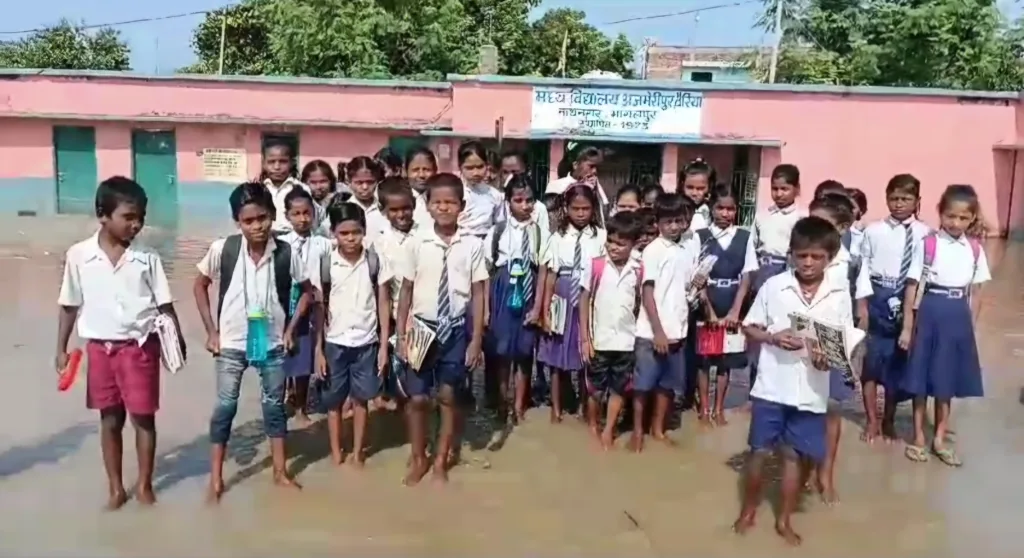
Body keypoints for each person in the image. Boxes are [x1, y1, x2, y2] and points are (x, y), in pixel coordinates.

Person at [55, 176, 181, 509]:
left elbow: (164, 303)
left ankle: (144, 485)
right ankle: (115, 487)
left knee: (143, 417)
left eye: (140, 217)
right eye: (128, 217)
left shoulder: (148, 257)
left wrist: (177, 339)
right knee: (109, 419)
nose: (136, 224)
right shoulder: (79, 255)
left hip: (140, 347)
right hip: (100, 350)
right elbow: (69, 304)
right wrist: (61, 348)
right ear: (102, 215)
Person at [193, 182, 314, 503]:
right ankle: (217, 479)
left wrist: (291, 331)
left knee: (274, 408)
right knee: (225, 408)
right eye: (248, 221)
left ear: (273, 216)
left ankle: (279, 472)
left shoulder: (286, 252)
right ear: (237, 222)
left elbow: (308, 291)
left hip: (270, 340)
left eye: (262, 218)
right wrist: (211, 331)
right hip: (231, 342)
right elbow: (200, 285)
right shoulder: (224, 249)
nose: (257, 226)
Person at [735, 216, 851, 546]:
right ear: (791, 255)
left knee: (793, 458)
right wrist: (772, 337)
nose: (809, 263)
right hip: (772, 386)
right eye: (802, 256)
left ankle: (784, 520)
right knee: (758, 453)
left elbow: (840, 344)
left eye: (817, 257)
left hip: (812, 391)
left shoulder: (838, 294)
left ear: (831, 258)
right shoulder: (774, 287)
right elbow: (749, 326)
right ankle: (748, 511)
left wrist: (826, 356)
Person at [395, 173, 487, 485]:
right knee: (418, 398)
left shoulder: (472, 244)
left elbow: (478, 293)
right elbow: (405, 291)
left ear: (461, 206)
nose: (444, 207)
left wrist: (476, 340)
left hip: (457, 330)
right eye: (437, 202)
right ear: (428, 205)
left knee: (449, 396)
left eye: (450, 202)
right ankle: (419, 457)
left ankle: (441, 459)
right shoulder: (416, 242)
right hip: (421, 329)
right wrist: (401, 336)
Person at [899, 185, 988, 467]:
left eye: (963, 218)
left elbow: (978, 290)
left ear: (972, 218)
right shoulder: (928, 244)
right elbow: (912, 286)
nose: (956, 223)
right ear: (940, 213)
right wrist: (906, 326)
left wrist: (971, 325)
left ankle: (938, 438)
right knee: (920, 379)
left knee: (946, 381)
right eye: (951, 216)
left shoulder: (974, 249)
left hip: (957, 315)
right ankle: (918, 438)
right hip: (930, 311)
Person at [854, 173, 929, 443]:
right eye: (893, 198)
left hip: (908, 300)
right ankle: (871, 420)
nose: (898, 204)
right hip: (878, 295)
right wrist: (862, 305)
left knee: (898, 364)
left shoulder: (925, 235)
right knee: (871, 364)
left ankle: (889, 419)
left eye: (906, 199)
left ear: (917, 201)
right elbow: (862, 269)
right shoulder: (873, 231)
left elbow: (926, 276)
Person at [319, 202, 392, 467]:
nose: (351, 239)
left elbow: (384, 303)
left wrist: (384, 346)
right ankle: (337, 452)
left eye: (356, 232)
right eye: (344, 233)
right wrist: (319, 350)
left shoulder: (374, 261)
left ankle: (359, 452)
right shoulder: (326, 264)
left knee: (362, 401)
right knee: (333, 403)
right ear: (333, 233)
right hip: (334, 343)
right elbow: (320, 307)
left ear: (364, 231)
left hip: (366, 342)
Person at [807, 192, 861, 504]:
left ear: (841, 228)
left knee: (831, 412)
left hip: (835, 340)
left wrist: (852, 354)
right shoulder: (801, 255)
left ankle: (825, 474)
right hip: (802, 337)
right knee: (801, 409)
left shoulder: (850, 263)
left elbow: (860, 309)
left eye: (822, 223)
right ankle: (801, 468)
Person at [538, 184, 606, 423]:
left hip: (589, 296)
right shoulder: (557, 237)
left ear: (593, 209)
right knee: (556, 357)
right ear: (566, 208)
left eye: (586, 208)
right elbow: (550, 276)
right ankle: (556, 410)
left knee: (585, 355)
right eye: (575, 208)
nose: (580, 213)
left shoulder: (600, 236)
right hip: (562, 295)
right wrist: (546, 311)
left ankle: (582, 407)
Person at [633, 192, 694, 451]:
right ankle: (637, 432)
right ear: (658, 222)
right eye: (668, 221)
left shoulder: (684, 251)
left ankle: (657, 430)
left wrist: (698, 286)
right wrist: (657, 331)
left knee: (667, 387)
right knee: (643, 385)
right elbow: (647, 292)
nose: (673, 226)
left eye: (679, 221)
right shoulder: (653, 250)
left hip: (678, 331)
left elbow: (684, 289)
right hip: (651, 332)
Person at [484, 174, 547, 422]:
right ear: (508, 201)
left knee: (524, 352)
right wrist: (488, 309)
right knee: (501, 353)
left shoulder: (540, 233)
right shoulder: (497, 231)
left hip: (528, 290)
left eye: (529, 200)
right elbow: (486, 271)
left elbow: (543, 270)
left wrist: (538, 308)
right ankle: (502, 403)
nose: (524, 205)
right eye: (518, 200)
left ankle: (520, 405)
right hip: (502, 290)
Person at [578, 211, 643, 449]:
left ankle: (609, 429)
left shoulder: (639, 268)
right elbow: (584, 300)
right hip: (599, 341)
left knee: (619, 388)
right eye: (611, 241)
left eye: (621, 244)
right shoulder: (596, 264)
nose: (614, 248)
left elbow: (639, 303)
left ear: (633, 244)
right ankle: (594, 424)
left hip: (626, 342)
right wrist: (585, 339)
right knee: (595, 390)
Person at [695, 185, 757, 426]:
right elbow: (696, 276)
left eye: (730, 209)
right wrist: (707, 307)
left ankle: (719, 408)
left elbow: (747, 275)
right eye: (720, 208)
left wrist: (736, 309)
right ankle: (704, 408)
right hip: (706, 298)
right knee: (704, 358)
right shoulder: (700, 236)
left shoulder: (744, 236)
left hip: (732, 298)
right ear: (712, 208)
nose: (725, 213)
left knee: (725, 359)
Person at [278, 187, 334, 427]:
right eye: (296, 214)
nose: (302, 219)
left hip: (313, 302)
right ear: (287, 215)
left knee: (303, 360)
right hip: (284, 303)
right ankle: (278, 403)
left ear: (314, 214)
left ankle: (301, 406)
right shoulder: (280, 244)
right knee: (280, 357)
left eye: (307, 213)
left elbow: (329, 276)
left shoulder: (323, 244)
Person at [373, 177, 417, 408]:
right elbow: (381, 289)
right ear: (383, 211)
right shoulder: (380, 243)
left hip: (419, 314)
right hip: (390, 312)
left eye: (406, 208)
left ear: (414, 206)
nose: (401, 214)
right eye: (394, 210)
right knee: (392, 363)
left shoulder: (424, 235)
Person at [260, 140, 310, 234]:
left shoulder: (301, 188)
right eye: (271, 162)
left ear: (292, 162)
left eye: (283, 161)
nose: (277, 167)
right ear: (264, 163)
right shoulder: (259, 189)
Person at [545, 147, 610, 218]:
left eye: (596, 167)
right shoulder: (556, 186)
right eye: (591, 166)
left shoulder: (596, 185)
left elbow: (603, 215)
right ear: (575, 165)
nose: (595, 171)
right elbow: (552, 216)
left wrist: (594, 191)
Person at [456, 141, 504, 239]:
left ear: (486, 165)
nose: (476, 173)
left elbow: (500, 225)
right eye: (469, 168)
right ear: (460, 167)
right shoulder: (454, 192)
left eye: (480, 167)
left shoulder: (494, 195)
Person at [346, 156, 389, 244]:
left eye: (370, 182)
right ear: (349, 182)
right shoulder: (344, 210)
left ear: (377, 181)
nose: (365, 187)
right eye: (359, 182)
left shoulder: (386, 207)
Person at [300, 160, 339, 237]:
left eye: (323, 181)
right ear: (304, 183)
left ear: (331, 181)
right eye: (313, 182)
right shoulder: (301, 202)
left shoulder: (339, 199)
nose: (318, 187)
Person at [405, 146, 438, 229]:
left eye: (427, 170)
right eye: (415, 170)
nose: (421, 175)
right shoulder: (398, 198)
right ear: (405, 171)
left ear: (435, 171)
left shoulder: (440, 198)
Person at [680, 158, 716, 231]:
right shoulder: (675, 208)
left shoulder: (713, 209)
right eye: (690, 187)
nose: (694, 193)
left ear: (710, 187)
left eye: (700, 188)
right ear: (682, 184)